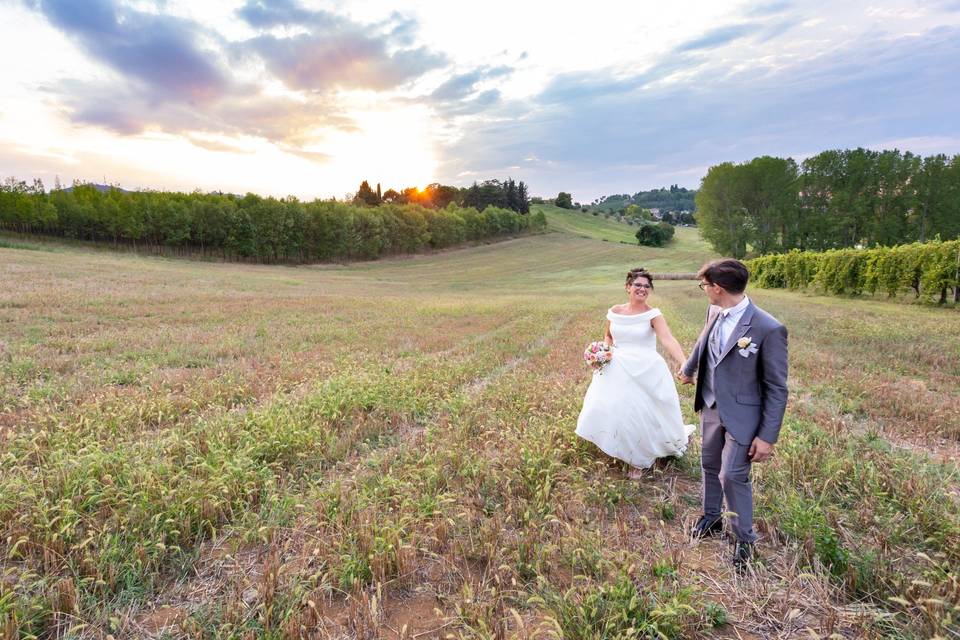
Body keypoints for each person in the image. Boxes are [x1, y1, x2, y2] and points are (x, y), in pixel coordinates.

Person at [678, 259, 788, 572]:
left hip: (744, 416)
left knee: (732, 475)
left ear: (719, 288)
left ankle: (744, 539)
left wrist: (767, 437)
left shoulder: (768, 328)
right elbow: (704, 341)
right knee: (709, 465)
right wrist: (688, 369)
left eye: (705, 286)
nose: (705, 291)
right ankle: (711, 516)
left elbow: (777, 388)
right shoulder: (715, 311)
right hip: (711, 404)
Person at [576, 268, 696, 479]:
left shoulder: (653, 314)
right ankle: (616, 444)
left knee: (639, 413)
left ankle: (638, 460)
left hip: (646, 368)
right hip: (617, 366)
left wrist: (684, 362)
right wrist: (602, 353)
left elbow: (668, 340)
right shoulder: (615, 311)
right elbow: (608, 337)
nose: (642, 288)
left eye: (646, 286)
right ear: (628, 287)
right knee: (615, 408)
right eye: (638, 285)